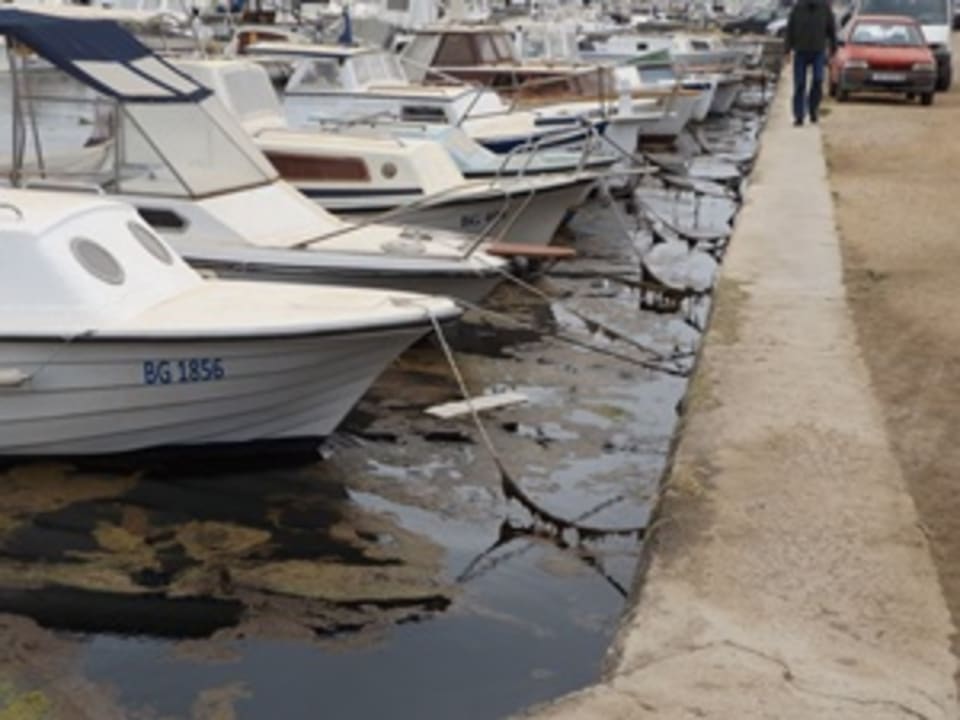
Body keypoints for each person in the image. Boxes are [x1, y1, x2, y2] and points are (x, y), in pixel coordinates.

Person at [785, 0, 837, 125]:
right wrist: (787, 50)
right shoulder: (797, 8)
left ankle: (813, 109)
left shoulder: (825, 8)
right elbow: (790, 29)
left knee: (818, 80)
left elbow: (831, 29)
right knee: (800, 83)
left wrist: (833, 49)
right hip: (800, 51)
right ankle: (799, 115)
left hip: (818, 51)